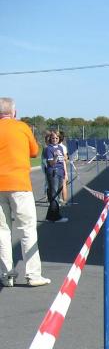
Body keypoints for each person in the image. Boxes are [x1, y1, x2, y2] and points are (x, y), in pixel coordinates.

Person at [0, 97, 50, 287]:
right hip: (19, 184)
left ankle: (7, 275)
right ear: (14, 112)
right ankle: (33, 275)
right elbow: (34, 151)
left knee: (2, 232)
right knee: (27, 229)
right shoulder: (22, 127)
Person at [44, 131, 68, 223]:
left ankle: (49, 216)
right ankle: (56, 217)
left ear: (59, 139)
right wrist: (56, 157)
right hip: (53, 172)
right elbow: (51, 163)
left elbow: (64, 161)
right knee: (54, 194)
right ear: (50, 139)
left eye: (56, 138)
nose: (55, 140)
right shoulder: (48, 149)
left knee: (57, 193)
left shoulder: (60, 147)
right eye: (53, 138)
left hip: (60, 171)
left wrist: (64, 172)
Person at [58, 131, 69, 204]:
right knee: (63, 184)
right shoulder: (64, 147)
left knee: (60, 185)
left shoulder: (58, 147)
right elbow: (66, 159)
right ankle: (64, 201)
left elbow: (65, 159)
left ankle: (60, 200)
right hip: (62, 167)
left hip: (60, 167)